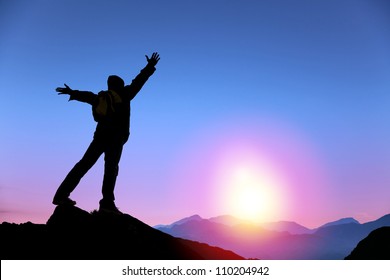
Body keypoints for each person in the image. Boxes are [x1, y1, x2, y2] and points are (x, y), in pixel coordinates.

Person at [52, 52, 160, 214]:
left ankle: (61, 195)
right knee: (111, 169)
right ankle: (107, 203)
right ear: (120, 85)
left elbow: (86, 95)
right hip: (116, 138)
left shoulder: (100, 97)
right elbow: (140, 80)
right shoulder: (125, 94)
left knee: (83, 164)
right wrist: (150, 66)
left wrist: (72, 92)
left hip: (100, 136)